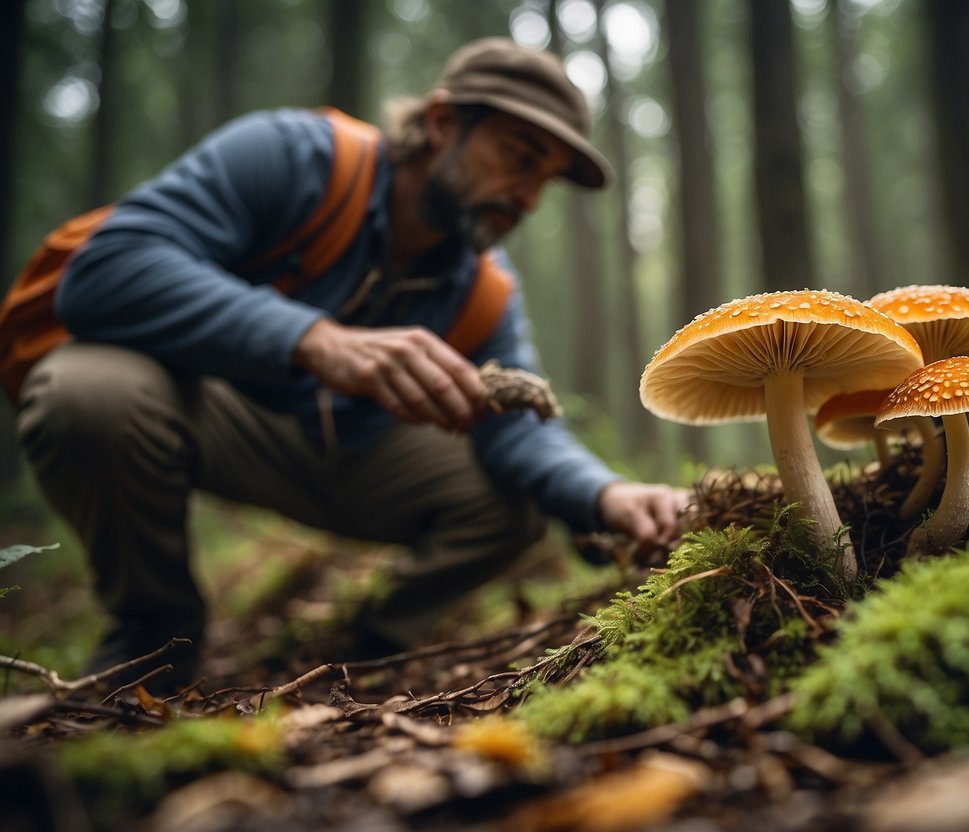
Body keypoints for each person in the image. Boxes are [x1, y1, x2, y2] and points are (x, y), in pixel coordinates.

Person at [14, 37, 689, 689]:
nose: (527, 197)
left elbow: (517, 429)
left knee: (512, 503)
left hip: (348, 456)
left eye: (542, 181)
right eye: (517, 157)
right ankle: (154, 635)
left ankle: (364, 649)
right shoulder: (292, 157)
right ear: (440, 121)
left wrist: (608, 494)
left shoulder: (483, 287)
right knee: (86, 393)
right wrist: (313, 340)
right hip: (209, 412)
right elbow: (107, 270)